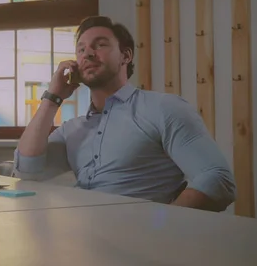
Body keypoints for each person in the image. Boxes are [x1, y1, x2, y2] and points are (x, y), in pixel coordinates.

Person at [14, 15, 236, 212]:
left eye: (99, 45)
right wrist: (53, 97)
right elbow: (27, 169)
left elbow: (217, 179)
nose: (88, 53)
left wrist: (162, 227)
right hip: (82, 239)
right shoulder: (72, 129)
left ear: (125, 56)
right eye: (81, 49)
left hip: (141, 245)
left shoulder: (163, 108)